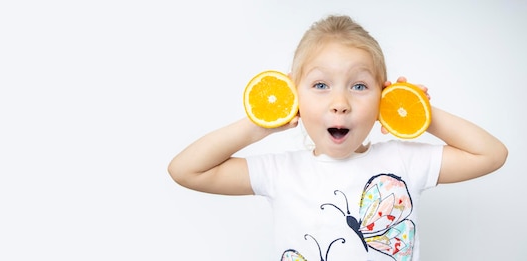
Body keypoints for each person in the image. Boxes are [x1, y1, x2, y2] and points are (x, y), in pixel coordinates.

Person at [167, 15, 507, 261]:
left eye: (359, 86)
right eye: (320, 85)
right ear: (293, 92)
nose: (340, 104)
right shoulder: (280, 172)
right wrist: (262, 124)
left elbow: (491, 154)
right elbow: (186, 170)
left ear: (381, 98)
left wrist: (417, 111)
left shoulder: (405, 161)